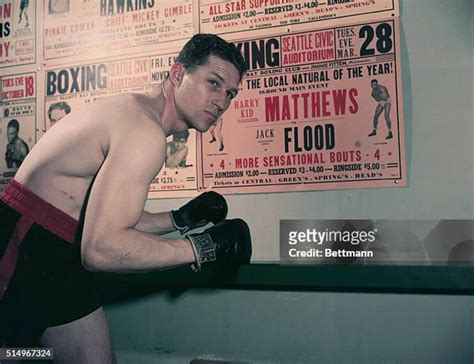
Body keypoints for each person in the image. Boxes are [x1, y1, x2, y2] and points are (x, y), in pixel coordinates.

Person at [0, 34, 251, 363]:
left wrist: (180, 219)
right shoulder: (143, 132)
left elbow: (103, 215)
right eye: (213, 83)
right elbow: (101, 248)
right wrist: (203, 247)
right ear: (178, 74)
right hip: (26, 247)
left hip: (49, 244)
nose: (221, 102)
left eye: (230, 93)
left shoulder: (135, 114)